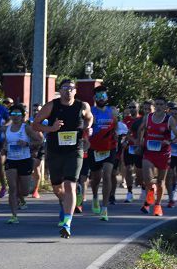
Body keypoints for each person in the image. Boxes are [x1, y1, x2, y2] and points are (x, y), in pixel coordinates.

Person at [32, 79, 94, 238]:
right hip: (55, 151)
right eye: (65, 88)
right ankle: (68, 202)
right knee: (57, 188)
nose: (68, 91)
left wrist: (88, 127)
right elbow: (35, 124)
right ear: (60, 91)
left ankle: (67, 222)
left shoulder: (82, 106)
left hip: (75, 150)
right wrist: (51, 128)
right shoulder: (52, 106)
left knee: (69, 185)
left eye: (71, 88)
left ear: (75, 91)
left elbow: (89, 118)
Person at [136, 97, 177, 216]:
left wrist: (169, 142)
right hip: (149, 153)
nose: (159, 106)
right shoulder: (148, 117)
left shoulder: (169, 119)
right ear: (154, 105)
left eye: (161, 104)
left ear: (166, 107)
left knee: (161, 181)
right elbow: (141, 130)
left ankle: (157, 205)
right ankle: (151, 194)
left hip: (163, 154)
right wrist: (140, 143)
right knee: (148, 180)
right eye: (157, 104)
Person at [3, 103, 43, 224]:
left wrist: (27, 144)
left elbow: (39, 140)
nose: (15, 116)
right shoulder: (7, 128)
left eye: (18, 114)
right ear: (10, 115)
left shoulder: (26, 128)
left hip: (25, 160)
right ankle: (14, 216)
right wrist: (4, 147)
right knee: (12, 188)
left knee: (25, 191)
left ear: (22, 116)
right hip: (11, 160)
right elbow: (4, 143)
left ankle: (21, 198)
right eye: (13, 114)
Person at [87, 85, 119, 222]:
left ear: (107, 97)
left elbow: (116, 126)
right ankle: (95, 196)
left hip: (109, 147)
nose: (101, 99)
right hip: (94, 148)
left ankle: (104, 208)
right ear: (95, 98)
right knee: (95, 178)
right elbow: (86, 127)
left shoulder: (112, 111)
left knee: (107, 175)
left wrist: (116, 135)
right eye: (99, 96)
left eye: (103, 96)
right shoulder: (91, 111)